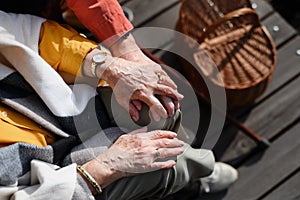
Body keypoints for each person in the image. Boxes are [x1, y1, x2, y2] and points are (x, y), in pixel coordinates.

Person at [0, 2, 238, 200]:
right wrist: (104, 168)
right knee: (166, 165)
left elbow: (25, 33)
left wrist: (114, 66)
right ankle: (192, 174)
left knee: (158, 104)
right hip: (57, 181)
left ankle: (187, 159)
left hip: (57, 102)